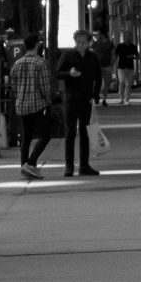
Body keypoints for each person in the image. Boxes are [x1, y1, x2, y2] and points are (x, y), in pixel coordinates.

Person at [53, 29, 103, 175]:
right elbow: (57, 73)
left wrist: (95, 95)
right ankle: (69, 166)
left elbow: (98, 78)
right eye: (78, 42)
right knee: (70, 133)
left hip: (86, 99)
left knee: (85, 132)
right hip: (70, 98)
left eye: (83, 42)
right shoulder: (68, 55)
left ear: (88, 43)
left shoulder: (93, 57)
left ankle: (84, 165)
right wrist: (69, 73)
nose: (80, 45)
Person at [6, 35, 55, 178]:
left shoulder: (17, 63)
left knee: (26, 137)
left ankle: (24, 167)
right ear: (37, 45)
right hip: (38, 104)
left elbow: (13, 86)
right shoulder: (41, 63)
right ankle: (31, 163)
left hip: (22, 104)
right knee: (45, 136)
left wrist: (20, 96)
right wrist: (48, 100)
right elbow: (45, 86)